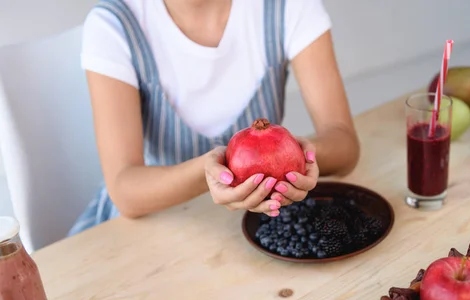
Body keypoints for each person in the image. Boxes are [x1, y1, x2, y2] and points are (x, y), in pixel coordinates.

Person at [69, 0, 359, 235]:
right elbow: (124, 190)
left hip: (250, 226)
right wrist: (212, 173)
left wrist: (296, 158)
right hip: (153, 226)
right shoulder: (114, 25)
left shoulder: (289, 7)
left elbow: (345, 145)